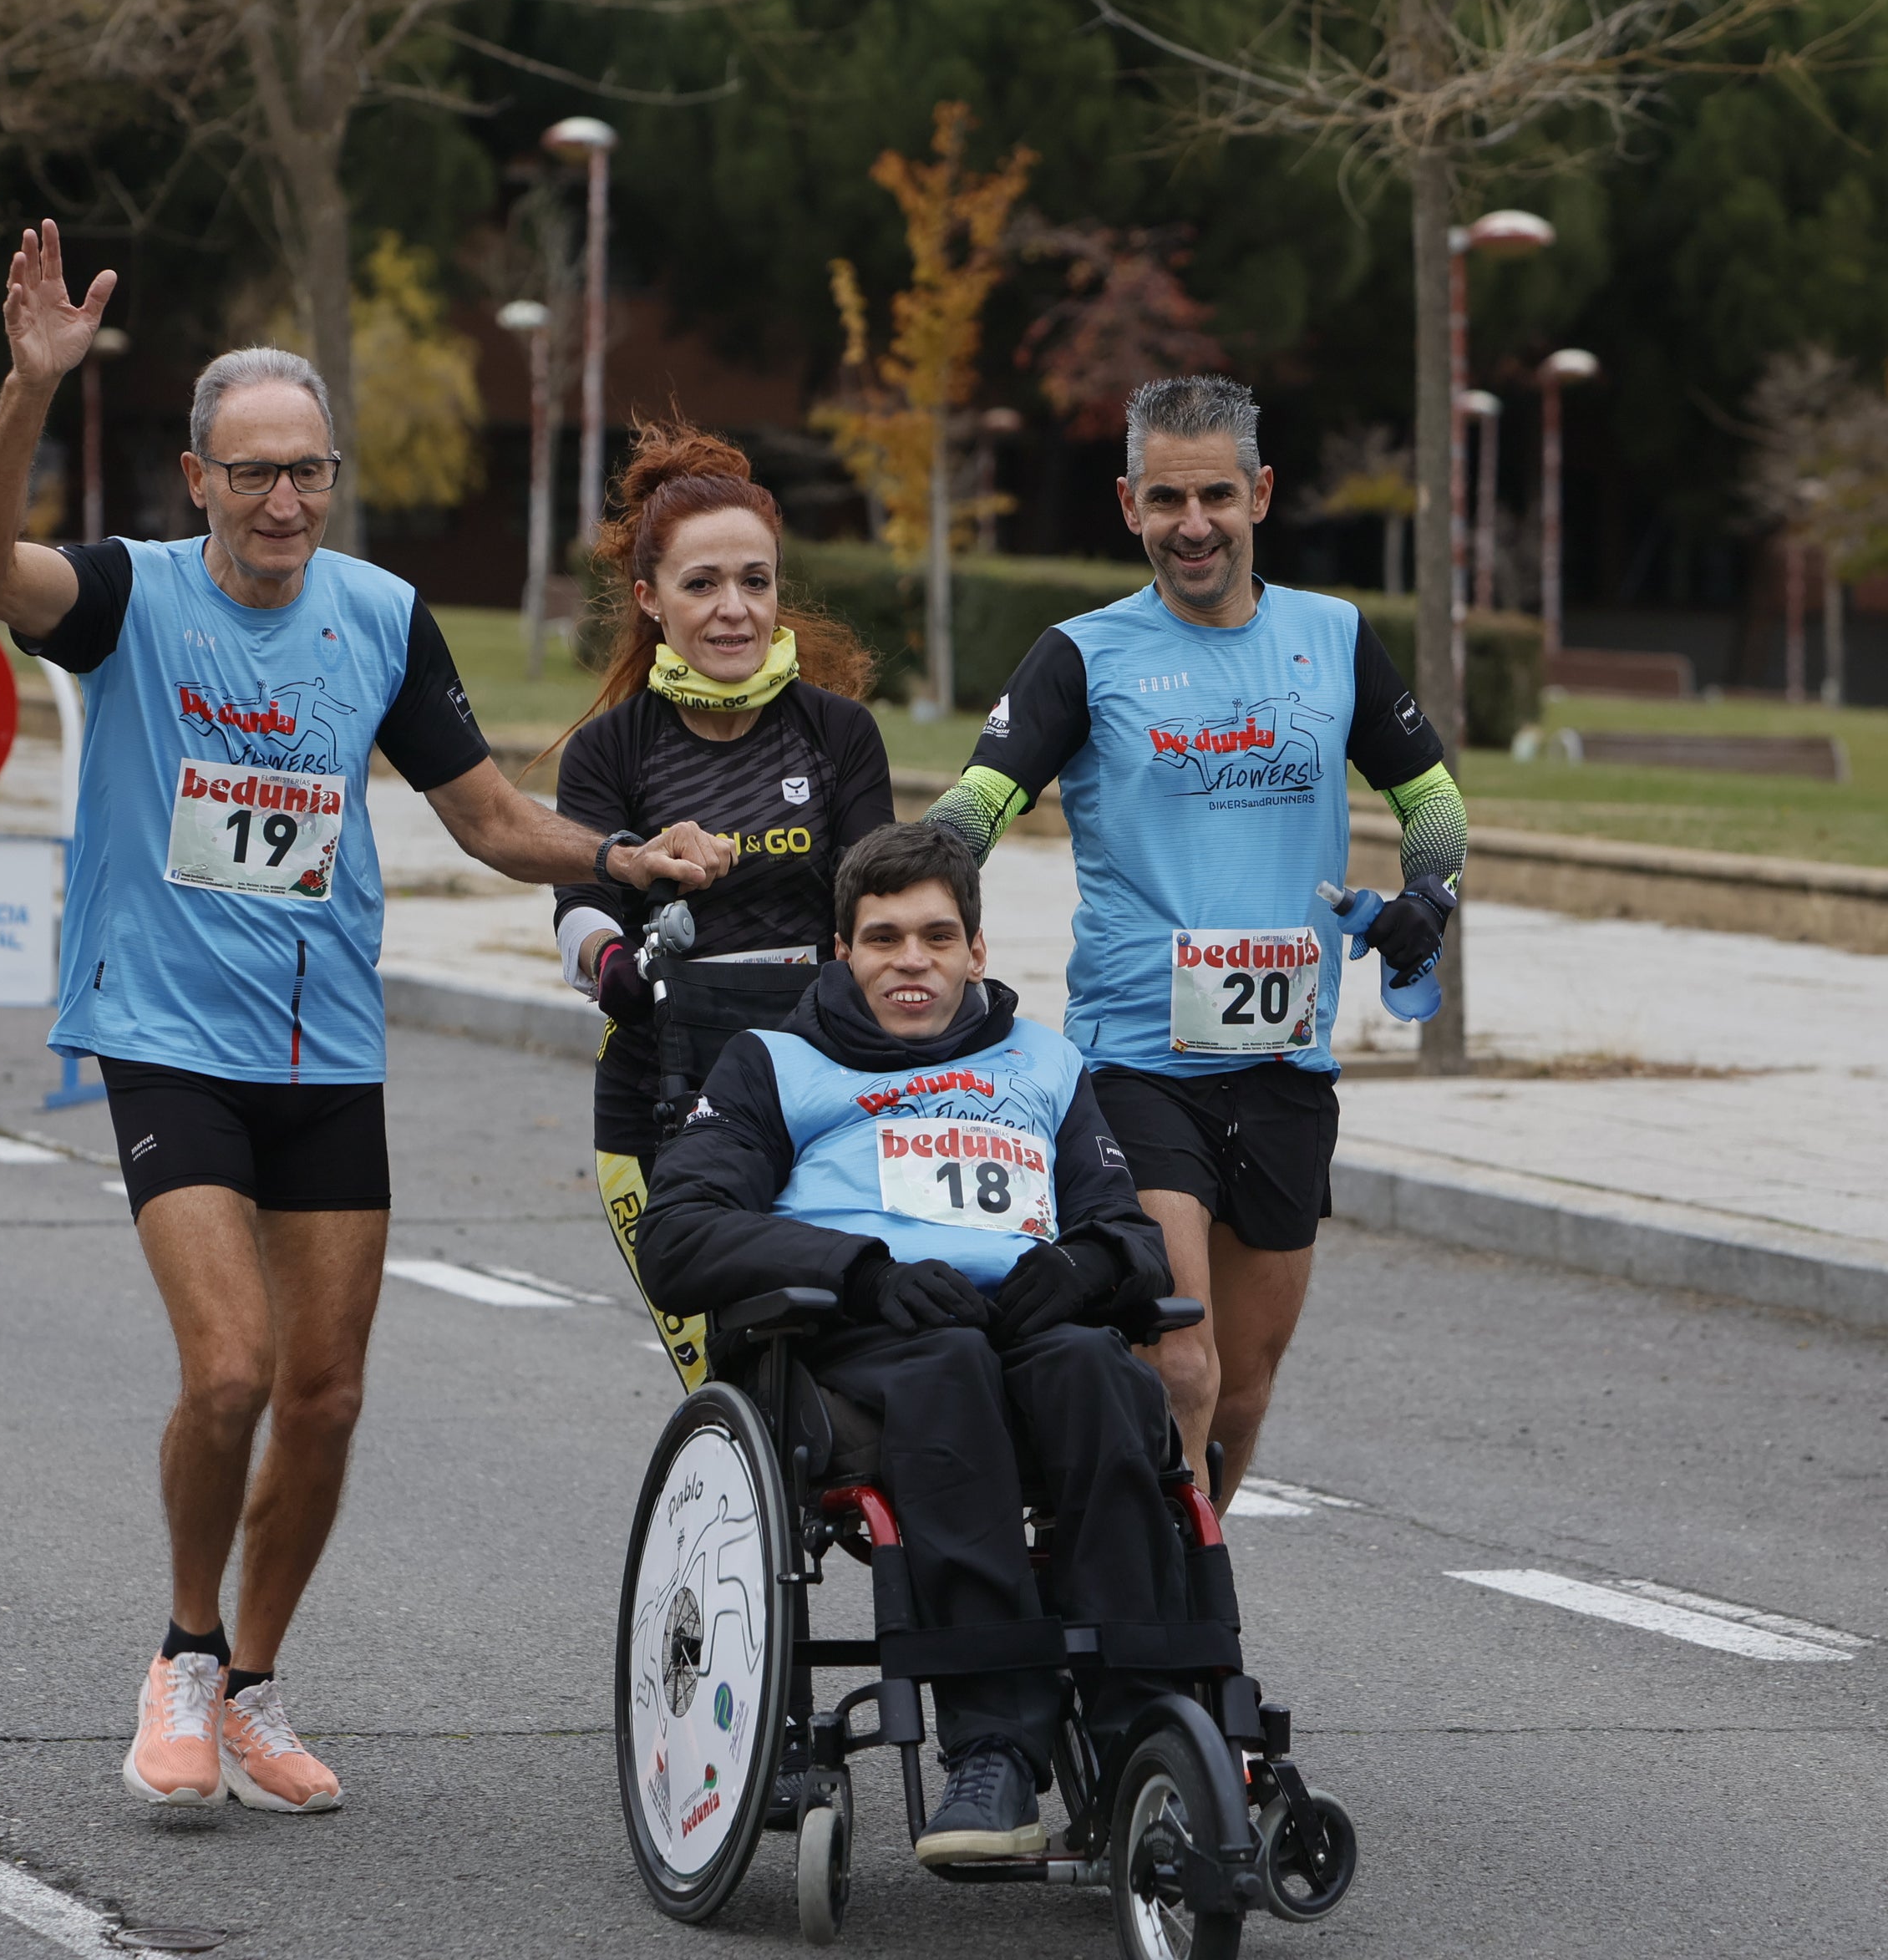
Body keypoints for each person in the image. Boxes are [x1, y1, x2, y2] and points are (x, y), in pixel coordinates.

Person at [0, 221, 728, 1814]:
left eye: (309, 471)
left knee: (326, 1393)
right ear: (195, 479)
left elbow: (490, 816)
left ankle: (252, 1687)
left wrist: (620, 859)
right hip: (163, 1032)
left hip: (324, 1051)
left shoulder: (376, 614)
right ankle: (176, 1652)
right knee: (227, 1371)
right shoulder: (128, 600)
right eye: (253, 475)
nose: (285, 501)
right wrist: (27, 389)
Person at [922, 375, 1467, 1508]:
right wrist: (915, 887)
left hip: (1285, 1068)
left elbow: (1435, 804)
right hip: (1138, 1067)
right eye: (1167, 499)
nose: (1194, 525)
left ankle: (1177, 1582)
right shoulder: (1083, 655)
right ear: (1129, 506)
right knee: (1178, 1362)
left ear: (1260, 494)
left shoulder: (1335, 636)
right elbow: (979, 803)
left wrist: (1431, 896)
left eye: (1217, 494)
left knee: (1249, 1388)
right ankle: (1152, 1599)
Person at [639, 821, 1199, 1866]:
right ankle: (994, 1749)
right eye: (883, 936)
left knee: (1103, 1380)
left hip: (1031, 1327)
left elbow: (1129, 1233)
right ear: (841, 950)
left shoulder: (1045, 1061)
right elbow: (678, 1230)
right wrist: (863, 1269)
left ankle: (1150, 1733)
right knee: (950, 1376)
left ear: (977, 950)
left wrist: (1084, 1268)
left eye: (938, 937)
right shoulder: (778, 1063)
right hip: (871, 1334)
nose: (911, 959)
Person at [547, 422, 893, 1385]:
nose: (734, 609)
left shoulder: (839, 735)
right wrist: (621, 953)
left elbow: (879, 901)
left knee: (851, 1356)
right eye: (702, 585)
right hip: (661, 1100)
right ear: (652, 601)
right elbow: (578, 911)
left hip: (827, 1089)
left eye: (756, 579)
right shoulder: (613, 750)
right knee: (730, 1381)